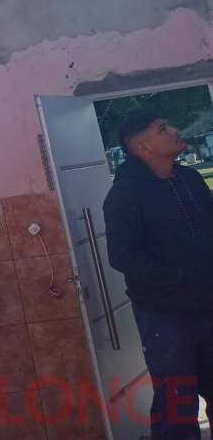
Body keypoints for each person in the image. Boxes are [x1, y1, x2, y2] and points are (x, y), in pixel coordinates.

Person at [104, 112, 213, 440]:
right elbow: (123, 256)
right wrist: (179, 278)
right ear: (143, 148)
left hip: (209, 303)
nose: (175, 130)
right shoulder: (124, 195)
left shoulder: (190, 179)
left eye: (170, 124)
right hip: (166, 316)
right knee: (177, 403)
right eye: (163, 129)